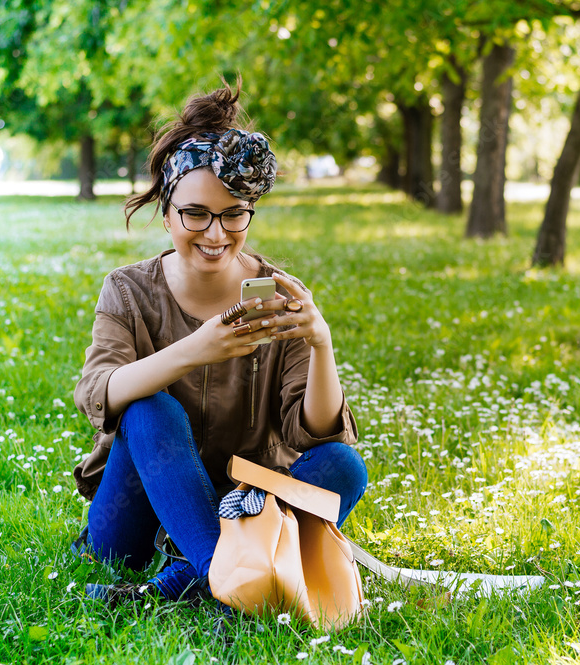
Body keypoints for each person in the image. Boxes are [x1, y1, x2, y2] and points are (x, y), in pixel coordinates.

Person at [68, 81, 367, 607]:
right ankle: (226, 575)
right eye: (196, 214)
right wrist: (196, 349)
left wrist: (322, 347)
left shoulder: (276, 296)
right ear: (167, 213)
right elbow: (98, 393)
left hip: (243, 503)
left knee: (343, 465)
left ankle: (192, 580)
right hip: (137, 521)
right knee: (148, 408)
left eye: (234, 214)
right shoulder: (128, 290)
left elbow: (314, 430)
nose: (215, 232)